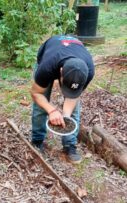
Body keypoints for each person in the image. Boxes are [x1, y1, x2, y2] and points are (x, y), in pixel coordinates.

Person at [30, 35, 94, 164]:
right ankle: (37, 141)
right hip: (50, 53)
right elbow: (35, 93)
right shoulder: (47, 67)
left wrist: (66, 117)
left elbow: (74, 97)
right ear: (60, 73)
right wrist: (52, 110)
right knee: (40, 107)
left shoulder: (89, 71)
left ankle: (70, 145)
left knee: (73, 111)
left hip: (72, 56)